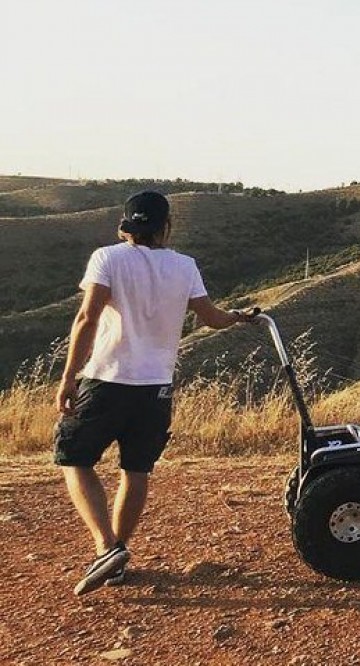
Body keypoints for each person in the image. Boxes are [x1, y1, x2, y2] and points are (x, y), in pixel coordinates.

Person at [54, 190, 255, 595]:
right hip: (156, 386)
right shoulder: (185, 266)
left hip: (107, 378)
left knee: (73, 457)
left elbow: (86, 318)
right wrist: (239, 317)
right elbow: (211, 318)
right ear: (166, 226)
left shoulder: (107, 258)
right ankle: (117, 557)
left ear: (125, 226)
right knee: (136, 469)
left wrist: (68, 376)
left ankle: (106, 547)